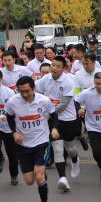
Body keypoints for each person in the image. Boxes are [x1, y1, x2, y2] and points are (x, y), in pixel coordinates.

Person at [5, 76, 58, 202]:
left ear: (33, 88)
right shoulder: (13, 102)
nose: (24, 94)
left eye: (27, 91)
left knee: (39, 177)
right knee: (29, 181)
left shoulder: (44, 101)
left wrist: (54, 128)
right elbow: (9, 117)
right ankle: (41, 173)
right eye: (21, 91)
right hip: (23, 145)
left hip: (41, 142)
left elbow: (54, 115)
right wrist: (14, 133)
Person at [35, 57, 78, 190]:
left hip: (67, 118)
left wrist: (48, 112)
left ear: (64, 68)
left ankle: (75, 160)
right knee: (58, 149)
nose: (54, 68)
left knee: (70, 148)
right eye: (53, 65)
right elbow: (37, 91)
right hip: (53, 120)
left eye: (58, 66)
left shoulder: (68, 81)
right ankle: (63, 178)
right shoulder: (45, 78)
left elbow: (63, 104)